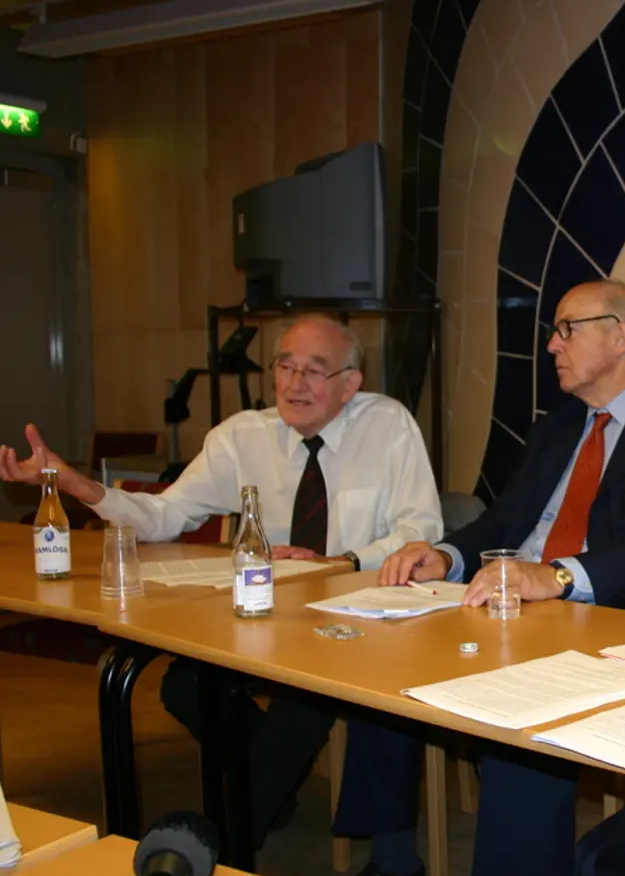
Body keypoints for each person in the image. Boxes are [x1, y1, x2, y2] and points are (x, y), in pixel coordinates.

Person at [326, 280, 625, 876]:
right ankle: (394, 859)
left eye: (566, 329)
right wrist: (446, 558)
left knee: (521, 723)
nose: (551, 344)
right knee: (386, 656)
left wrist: (554, 577)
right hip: (518, 612)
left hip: (624, 622)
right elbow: (506, 521)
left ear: (619, 334)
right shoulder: (561, 427)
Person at [0, 315, 444, 848]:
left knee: (306, 698)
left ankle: (222, 842)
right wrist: (76, 485)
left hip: (360, 618)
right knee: (184, 682)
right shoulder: (241, 437)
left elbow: (421, 531)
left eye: (314, 370)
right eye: (285, 366)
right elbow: (165, 517)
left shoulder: (388, 426)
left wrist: (341, 561)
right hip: (270, 616)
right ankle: (267, 788)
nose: (295, 383)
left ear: (351, 383)